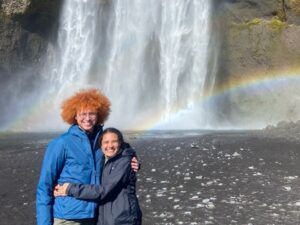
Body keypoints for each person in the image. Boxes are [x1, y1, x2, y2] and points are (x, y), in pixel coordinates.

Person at [36, 89, 140, 225]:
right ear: (74, 116)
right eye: (82, 114)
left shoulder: (101, 141)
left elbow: (121, 147)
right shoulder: (61, 143)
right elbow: (45, 186)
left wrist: (134, 158)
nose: (87, 118)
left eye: (92, 113)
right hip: (68, 217)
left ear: (99, 115)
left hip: (96, 216)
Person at [54, 128, 142, 225]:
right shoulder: (102, 160)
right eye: (106, 142)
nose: (110, 146)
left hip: (123, 219)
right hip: (105, 218)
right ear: (100, 145)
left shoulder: (124, 161)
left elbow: (104, 190)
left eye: (114, 142)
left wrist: (70, 189)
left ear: (120, 143)